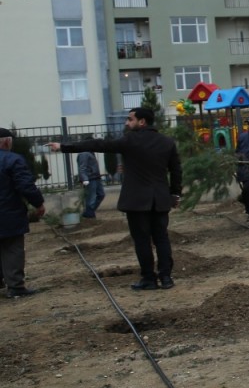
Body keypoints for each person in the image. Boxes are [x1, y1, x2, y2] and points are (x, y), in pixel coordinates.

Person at [50, 108, 182, 291]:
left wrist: (64, 147)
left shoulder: (129, 141)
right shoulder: (167, 142)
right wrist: (175, 194)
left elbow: (98, 145)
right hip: (159, 200)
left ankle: (149, 279)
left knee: (142, 241)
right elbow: (176, 170)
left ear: (142, 122)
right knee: (162, 239)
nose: (127, 123)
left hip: (136, 202)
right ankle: (166, 277)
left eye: (130, 119)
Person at [0, 128, 46, 298]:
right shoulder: (13, 160)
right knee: (12, 249)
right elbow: (25, 185)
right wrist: (38, 203)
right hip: (8, 212)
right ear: (7, 142)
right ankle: (16, 287)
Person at [76, 140, 106, 218]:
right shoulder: (84, 153)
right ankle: (89, 215)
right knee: (91, 198)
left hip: (96, 177)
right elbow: (82, 168)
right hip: (90, 179)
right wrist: (85, 179)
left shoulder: (90, 152)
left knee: (101, 195)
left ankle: (88, 212)